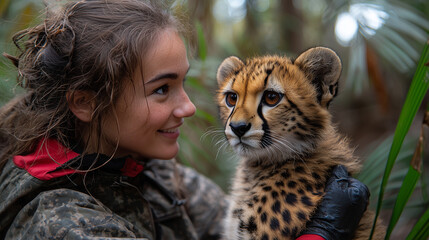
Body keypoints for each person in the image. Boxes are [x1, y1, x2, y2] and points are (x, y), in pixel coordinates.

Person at [0, 0, 369, 239]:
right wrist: (319, 235)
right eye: (162, 89)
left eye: (183, 83)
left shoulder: (148, 171)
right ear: (85, 103)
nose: (189, 107)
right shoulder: (60, 223)